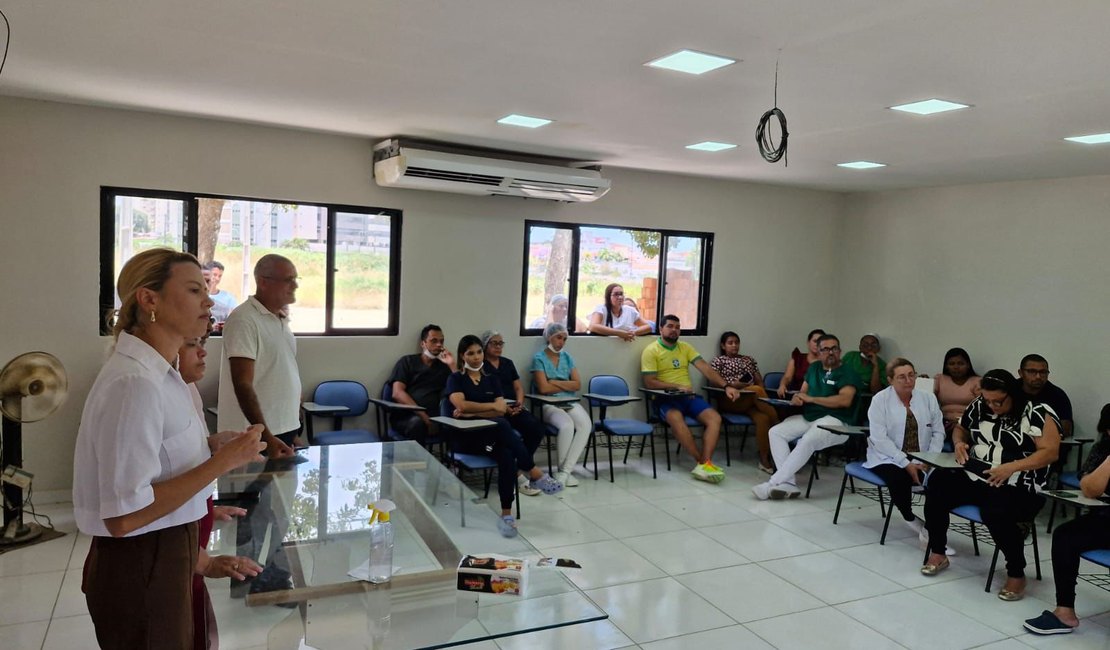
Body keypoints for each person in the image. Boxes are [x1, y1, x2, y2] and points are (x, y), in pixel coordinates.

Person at [74, 248, 265, 650]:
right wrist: (220, 462)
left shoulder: (163, 376)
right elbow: (125, 516)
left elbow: (156, 467)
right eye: (194, 290)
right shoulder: (135, 383)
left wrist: (209, 448)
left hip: (169, 551)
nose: (208, 301)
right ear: (149, 299)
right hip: (141, 564)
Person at [920, 369, 1061, 603]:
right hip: (979, 474)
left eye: (998, 401)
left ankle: (1016, 572)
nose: (992, 406)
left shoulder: (1037, 412)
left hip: (1019, 483)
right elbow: (961, 428)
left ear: (1013, 394)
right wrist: (959, 444)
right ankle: (938, 551)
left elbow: (1050, 452)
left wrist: (1012, 467)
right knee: (937, 484)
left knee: (995, 510)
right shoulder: (979, 405)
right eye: (988, 400)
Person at [178, 332, 260, 650]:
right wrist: (204, 563)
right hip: (164, 562)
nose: (203, 352)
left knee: (198, 633)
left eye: (203, 342)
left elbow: (175, 467)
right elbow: (132, 508)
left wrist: (212, 445)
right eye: (191, 344)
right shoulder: (140, 390)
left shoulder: (186, 389)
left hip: (188, 540)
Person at [446, 335, 563, 538]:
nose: (476, 357)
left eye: (478, 352)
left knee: (507, 452)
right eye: (470, 353)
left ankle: (506, 515)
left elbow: (500, 409)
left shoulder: (491, 379)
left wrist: (472, 413)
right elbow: (461, 405)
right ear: (462, 356)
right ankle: (533, 472)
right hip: (468, 440)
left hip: (490, 444)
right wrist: (481, 409)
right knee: (501, 425)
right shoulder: (455, 378)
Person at [1024, 404, 1110, 635]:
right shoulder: (1103, 450)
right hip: (1106, 519)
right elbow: (1090, 489)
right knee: (1065, 535)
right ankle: (1065, 612)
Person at [753, 334, 860, 500]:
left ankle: (773, 482)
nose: (830, 352)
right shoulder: (815, 368)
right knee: (775, 432)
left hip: (837, 421)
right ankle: (788, 482)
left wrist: (812, 399)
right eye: (825, 349)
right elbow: (803, 392)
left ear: (840, 351)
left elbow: (844, 400)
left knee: (808, 440)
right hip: (810, 417)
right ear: (818, 351)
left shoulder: (848, 372)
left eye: (834, 348)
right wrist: (798, 398)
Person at [217, 253, 303, 458]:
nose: (295, 286)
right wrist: (265, 436)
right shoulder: (244, 320)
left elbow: (282, 371)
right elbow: (242, 383)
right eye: (288, 280)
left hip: (284, 428)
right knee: (245, 490)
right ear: (263, 282)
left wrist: (295, 426)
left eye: (295, 279)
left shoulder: (280, 319)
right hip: (254, 433)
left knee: (281, 490)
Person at [640, 314, 741, 483]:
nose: (674, 330)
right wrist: (675, 386)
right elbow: (649, 382)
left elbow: (706, 369)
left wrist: (726, 386)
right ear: (661, 329)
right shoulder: (651, 350)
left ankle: (706, 462)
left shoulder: (685, 347)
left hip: (688, 397)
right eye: (670, 326)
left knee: (714, 418)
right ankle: (701, 462)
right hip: (664, 398)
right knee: (675, 417)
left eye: (677, 327)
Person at [862, 358, 944, 536]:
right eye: (901, 377)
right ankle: (911, 519)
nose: (908, 380)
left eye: (911, 375)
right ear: (890, 380)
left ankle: (932, 529)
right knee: (899, 478)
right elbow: (879, 439)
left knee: (941, 481)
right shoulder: (880, 400)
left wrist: (929, 459)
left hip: (923, 457)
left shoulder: (928, 398)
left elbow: (938, 433)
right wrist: (905, 462)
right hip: (886, 455)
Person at [481, 330, 546, 496]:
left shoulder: (507, 363)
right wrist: (503, 407)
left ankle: (519, 467)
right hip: (497, 409)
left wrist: (519, 403)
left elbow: (518, 387)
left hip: (514, 407)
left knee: (536, 428)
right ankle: (516, 472)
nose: (498, 347)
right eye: (494, 343)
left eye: (500, 343)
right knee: (508, 435)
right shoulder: (480, 365)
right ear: (485, 345)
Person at [532, 322, 594, 486]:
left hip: (568, 400)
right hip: (548, 404)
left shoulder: (567, 358)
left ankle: (566, 471)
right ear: (549, 337)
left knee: (585, 425)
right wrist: (565, 383)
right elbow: (543, 389)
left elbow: (577, 385)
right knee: (566, 425)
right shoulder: (539, 358)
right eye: (559, 337)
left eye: (565, 339)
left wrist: (553, 381)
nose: (562, 342)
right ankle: (562, 471)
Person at [709, 331, 780, 473]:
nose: (734, 345)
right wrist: (733, 385)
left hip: (750, 399)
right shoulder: (719, 361)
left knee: (763, 418)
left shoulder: (748, 360)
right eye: (730, 343)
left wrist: (749, 387)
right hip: (730, 400)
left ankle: (764, 459)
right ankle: (779, 424)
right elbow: (713, 383)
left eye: (737, 342)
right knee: (756, 390)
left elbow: (759, 382)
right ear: (723, 346)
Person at [387, 324, 455, 444]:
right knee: (417, 424)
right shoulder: (407, 362)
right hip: (407, 417)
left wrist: (452, 365)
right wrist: (425, 418)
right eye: (434, 341)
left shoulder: (443, 367)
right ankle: (419, 462)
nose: (439, 345)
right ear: (423, 343)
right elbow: (397, 393)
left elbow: (460, 389)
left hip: (435, 417)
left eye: (441, 341)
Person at [1018, 354, 1074, 438]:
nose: (1038, 376)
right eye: (1032, 371)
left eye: (1043, 372)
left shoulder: (1058, 395)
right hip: (1014, 443)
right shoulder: (1011, 391)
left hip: (1047, 444)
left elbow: (1065, 430)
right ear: (1021, 373)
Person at [933, 347, 981, 440]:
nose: (956, 367)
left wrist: (961, 422)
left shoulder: (977, 381)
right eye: (951, 364)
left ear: (968, 365)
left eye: (960, 363)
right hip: (943, 423)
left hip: (968, 424)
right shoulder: (939, 379)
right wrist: (923, 381)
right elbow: (927, 400)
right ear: (946, 366)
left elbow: (981, 407)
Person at [587, 283, 652, 341]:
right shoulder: (601, 309)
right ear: (608, 297)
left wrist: (632, 333)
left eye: (621, 294)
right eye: (616, 294)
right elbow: (593, 326)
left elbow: (648, 327)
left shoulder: (630, 311)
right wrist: (619, 333)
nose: (620, 297)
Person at [777, 328, 825, 397]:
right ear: (808, 342)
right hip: (796, 397)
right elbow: (787, 377)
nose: (817, 344)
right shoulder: (798, 358)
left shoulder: (827, 362)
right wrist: (782, 385)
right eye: (815, 341)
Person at [204, 260, 238, 327]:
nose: (217, 278)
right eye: (214, 275)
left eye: (220, 276)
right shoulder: (199, 297)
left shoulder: (229, 298)